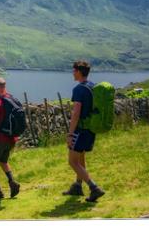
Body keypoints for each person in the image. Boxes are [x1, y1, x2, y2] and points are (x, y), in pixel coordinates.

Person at [64, 60, 105, 202]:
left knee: (72, 161)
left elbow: (76, 113)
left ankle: (94, 188)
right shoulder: (93, 87)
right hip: (90, 129)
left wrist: (70, 134)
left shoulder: (79, 89)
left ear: (79, 72)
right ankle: (77, 186)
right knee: (81, 157)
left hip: (80, 130)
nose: (72, 73)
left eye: (73, 70)